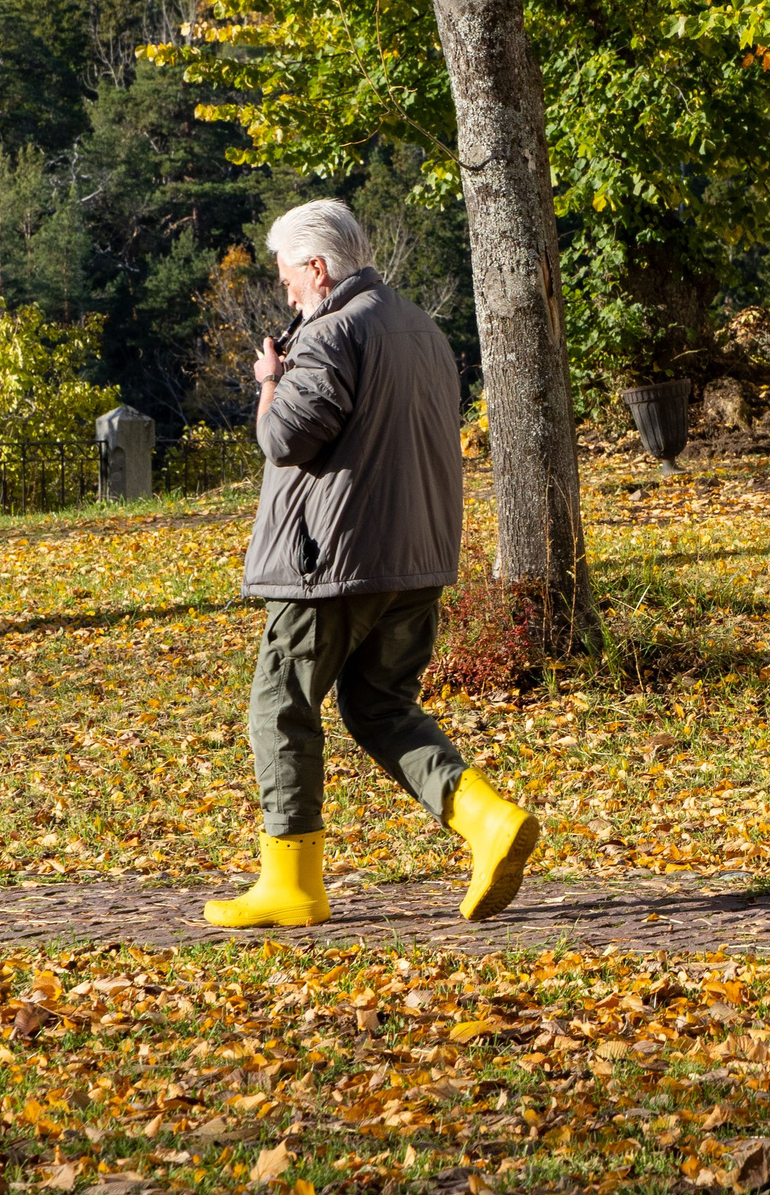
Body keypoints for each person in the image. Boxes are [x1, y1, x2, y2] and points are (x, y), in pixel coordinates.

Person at [204, 199, 540, 928]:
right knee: (381, 704)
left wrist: (269, 380)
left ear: (318, 268)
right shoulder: (420, 327)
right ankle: (487, 820)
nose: (286, 289)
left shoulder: (330, 334)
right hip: (416, 557)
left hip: (333, 560)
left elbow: (286, 440)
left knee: (281, 704)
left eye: (289, 273)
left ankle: (291, 883)